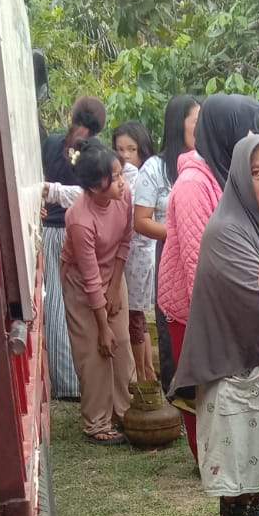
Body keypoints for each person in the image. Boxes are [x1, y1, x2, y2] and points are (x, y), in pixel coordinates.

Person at [170, 136, 259, 516]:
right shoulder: (226, 231)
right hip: (235, 369)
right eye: (257, 173)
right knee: (245, 465)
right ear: (240, 178)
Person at [160, 95, 259, 465]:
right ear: (225, 132)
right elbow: (198, 264)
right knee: (205, 381)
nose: (254, 138)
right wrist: (226, 320)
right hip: (196, 309)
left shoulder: (227, 171)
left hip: (229, 303)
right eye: (247, 130)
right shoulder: (195, 182)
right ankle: (208, 460)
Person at [60, 140, 135, 446]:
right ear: (92, 186)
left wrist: (115, 289)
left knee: (121, 344)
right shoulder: (79, 219)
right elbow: (90, 279)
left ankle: (125, 411)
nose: (121, 182)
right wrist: (102, 326)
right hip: (81, 284)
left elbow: (125, 242)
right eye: (113, 177)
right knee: (94, 351)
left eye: (120, 174)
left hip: (113, 273)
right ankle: (97, 422)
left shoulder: (125, 196)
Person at [134, 95, 201, 391]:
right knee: (172, 322)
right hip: (169, 255)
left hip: (201, 253)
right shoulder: (155, 168)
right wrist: (178, 234)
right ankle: (176, 392)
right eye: (196, 121)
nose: (201, 128)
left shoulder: (207, 162)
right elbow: (141, 220)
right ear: (179, 124)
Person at [42, 95, 107, 400]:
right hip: (80, 232)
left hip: (51, 231)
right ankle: (83, 378)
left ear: (72, 114)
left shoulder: (52, 143)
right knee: (82, 303)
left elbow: (39, 182)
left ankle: (67, 381)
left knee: (55, 306)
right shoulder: (95, 151)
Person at [112, 121, 159, 382]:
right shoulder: (123, 179)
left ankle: (145, 373)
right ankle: (145, 372)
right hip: (130, 254)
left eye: (132, 149)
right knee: (135, 314)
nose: (127, 156)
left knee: (136, 314)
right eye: (120, 150)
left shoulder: (145, 177)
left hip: (141, 253)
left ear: (143, 149)